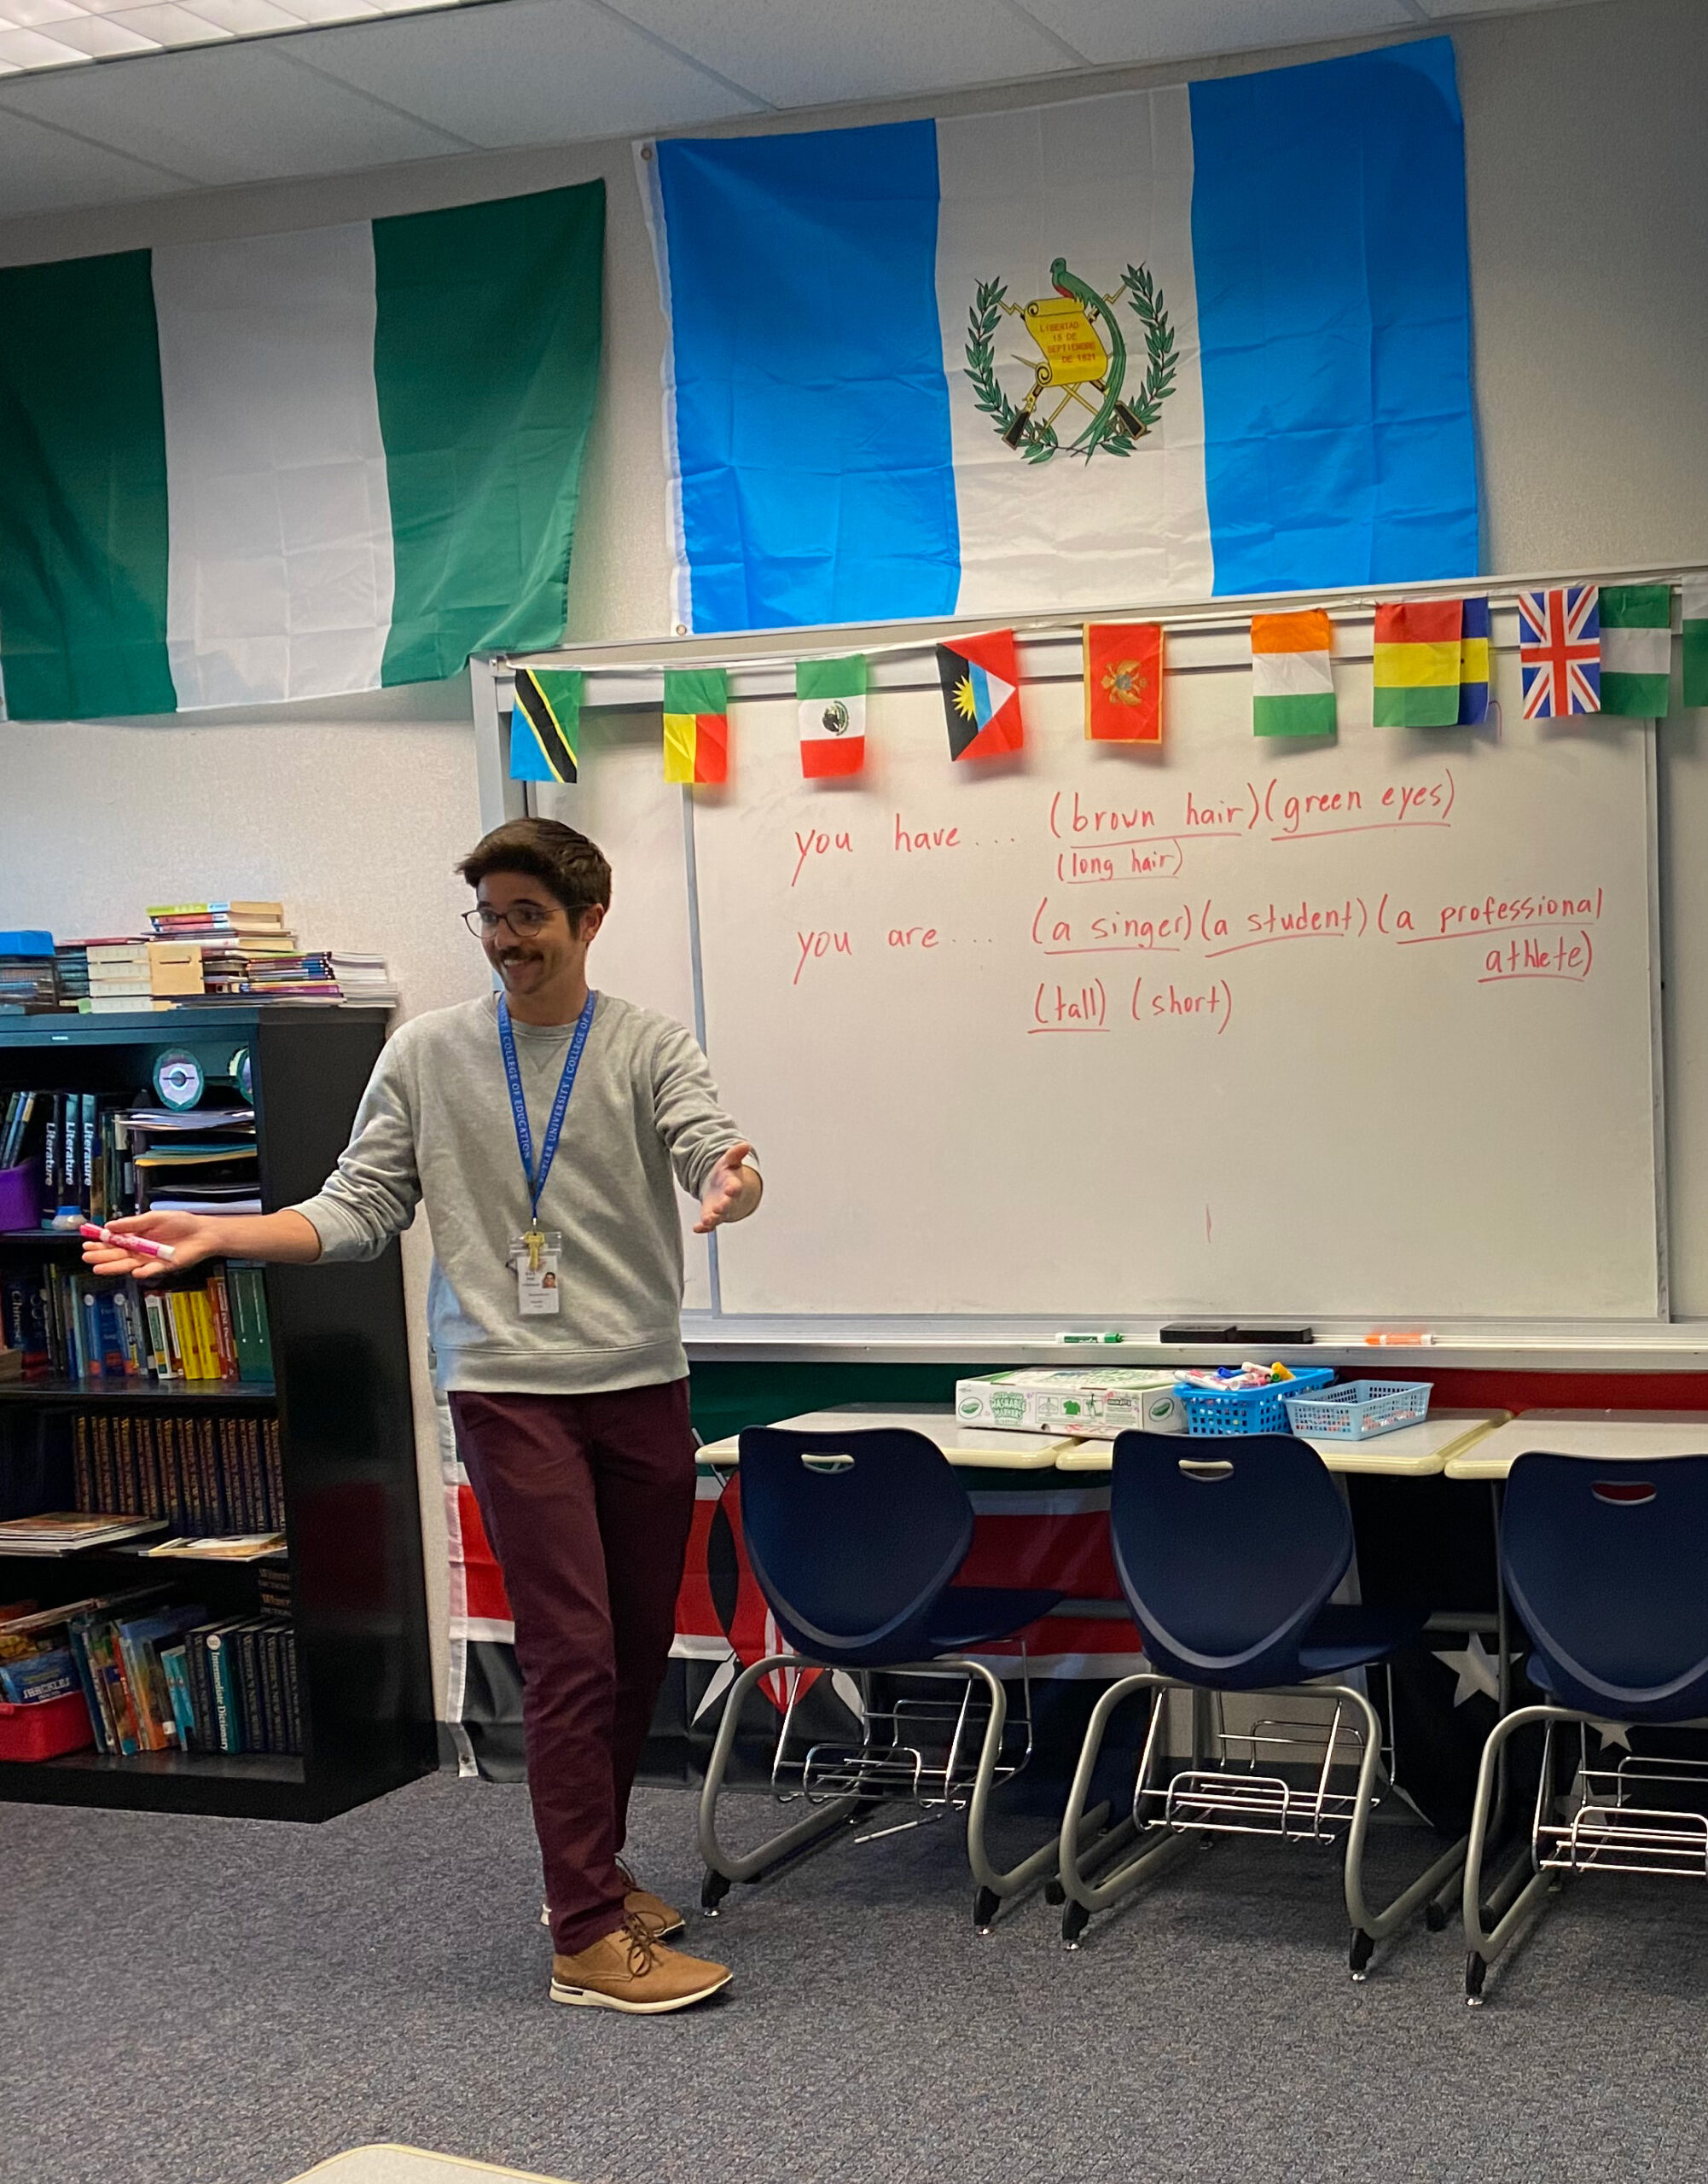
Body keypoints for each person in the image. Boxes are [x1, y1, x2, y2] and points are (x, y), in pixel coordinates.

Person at [84, 817, 761, 2015]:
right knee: (568, 1651)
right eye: (490, 918)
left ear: (588, 921)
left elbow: (711, 1147)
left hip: (642, 1382)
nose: (505, 942)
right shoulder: (429, 1055)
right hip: (508, 1388)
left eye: (528, 918)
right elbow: (355, 1209)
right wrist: (219, 1231)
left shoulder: (647, 1044)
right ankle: (587, 1945)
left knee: (636, 1646)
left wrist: (730, 1182)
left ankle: (589, 1873)